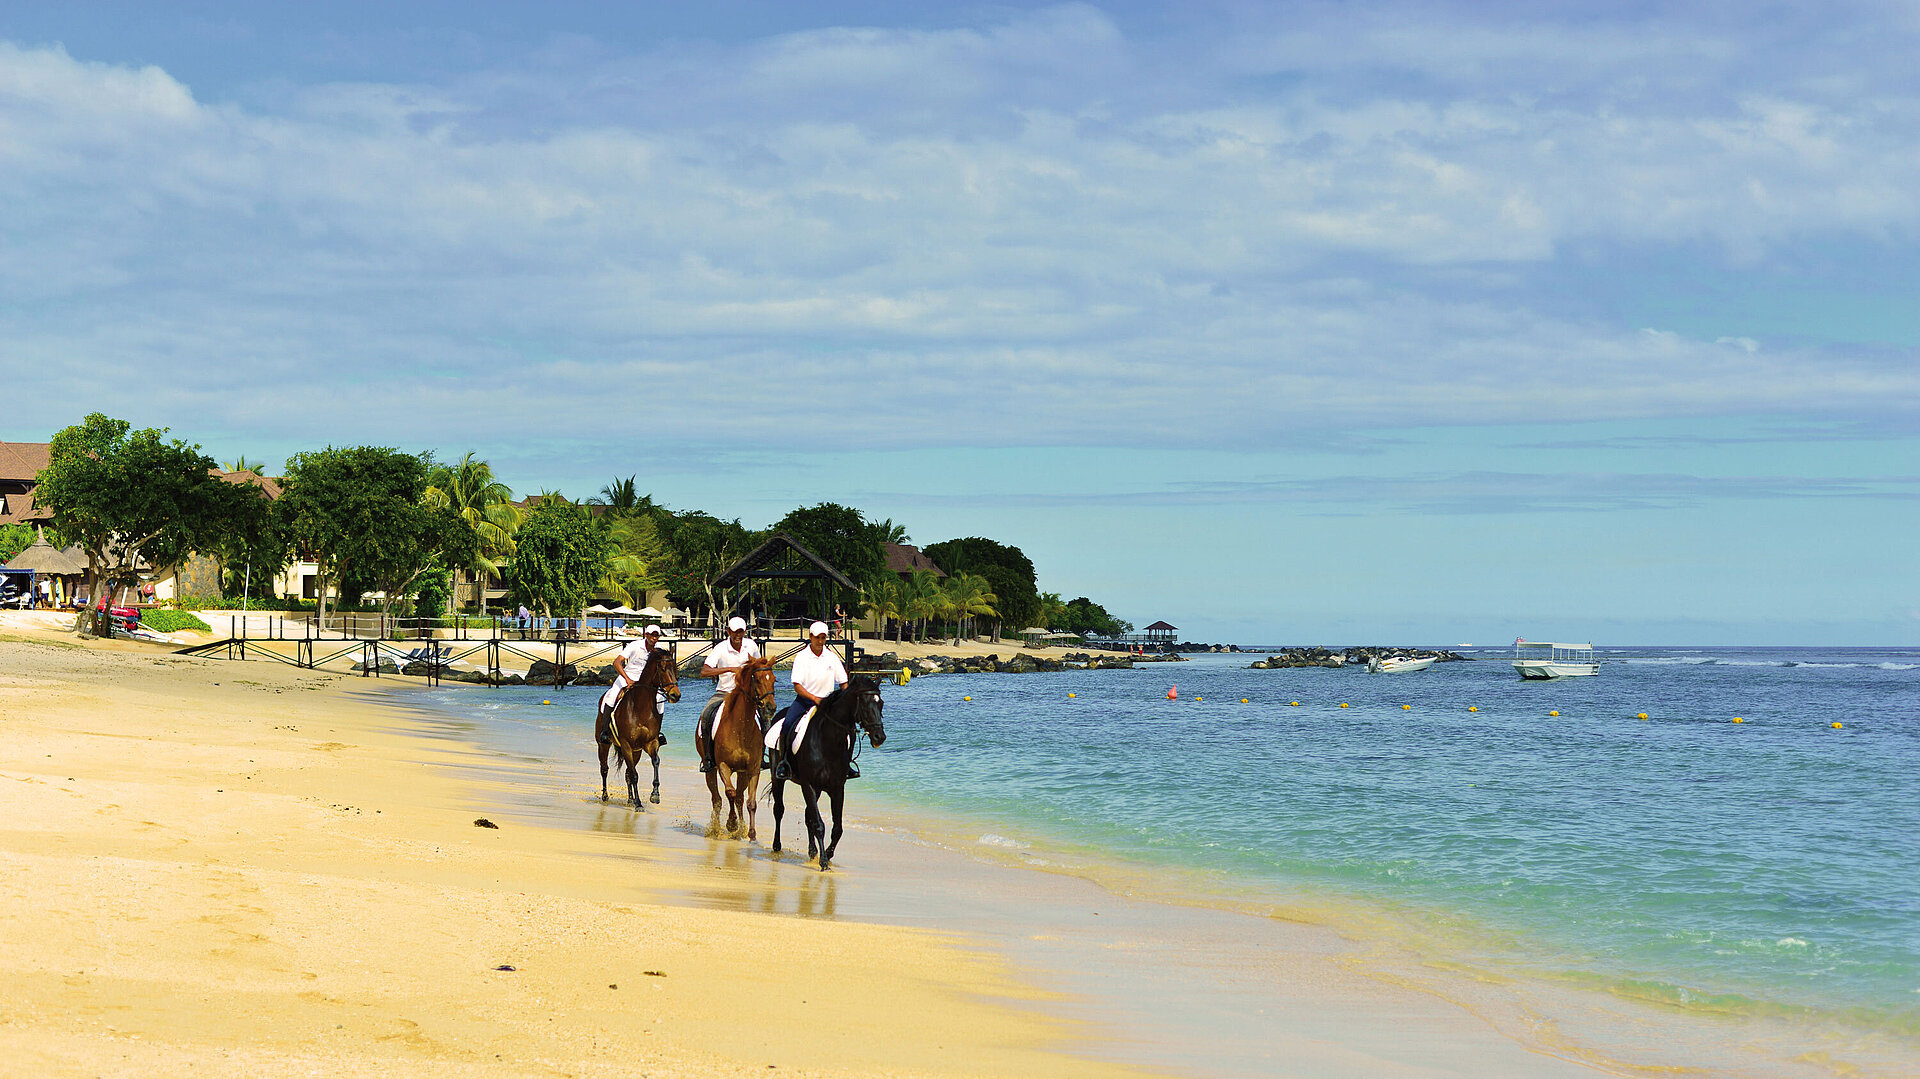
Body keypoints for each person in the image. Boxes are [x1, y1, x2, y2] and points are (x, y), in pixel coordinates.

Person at [771, 621, 851, 781]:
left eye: (823, 638)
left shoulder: (832, 657)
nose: (820, 642)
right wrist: (814, 698)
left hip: (828, 704)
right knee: (787, 724)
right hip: (804, 701)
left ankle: (846, 763)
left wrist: (845, 699)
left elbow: (843, 682)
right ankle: (784, 762)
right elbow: (797, 686)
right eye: (817, 638)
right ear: (810, 637)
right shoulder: (802, 657)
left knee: (848, 729)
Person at [695, 615, 762, 773]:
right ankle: (708, 758)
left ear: (745, 631)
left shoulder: (751, 646)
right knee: (706, 715)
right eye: (734, 632)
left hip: (747, 696)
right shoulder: (720, 648)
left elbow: (760, 666)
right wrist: (729, 669)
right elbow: (705, 671)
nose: (738, 635)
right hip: (724, 692)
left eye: (741, 632)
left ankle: (761, 757)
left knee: (765, 717)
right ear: (728, 632)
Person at [596, 625, 669, 748]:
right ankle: (605, 731)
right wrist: (627, 679)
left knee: (660, 700)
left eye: (657, 636)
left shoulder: (658, 650)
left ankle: (657, 733)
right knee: (611, 696)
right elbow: (617, 662)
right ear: (646, 635)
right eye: (652, 635)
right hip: (628, 677)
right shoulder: (635, 646)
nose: (654, 638)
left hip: (645, 683)